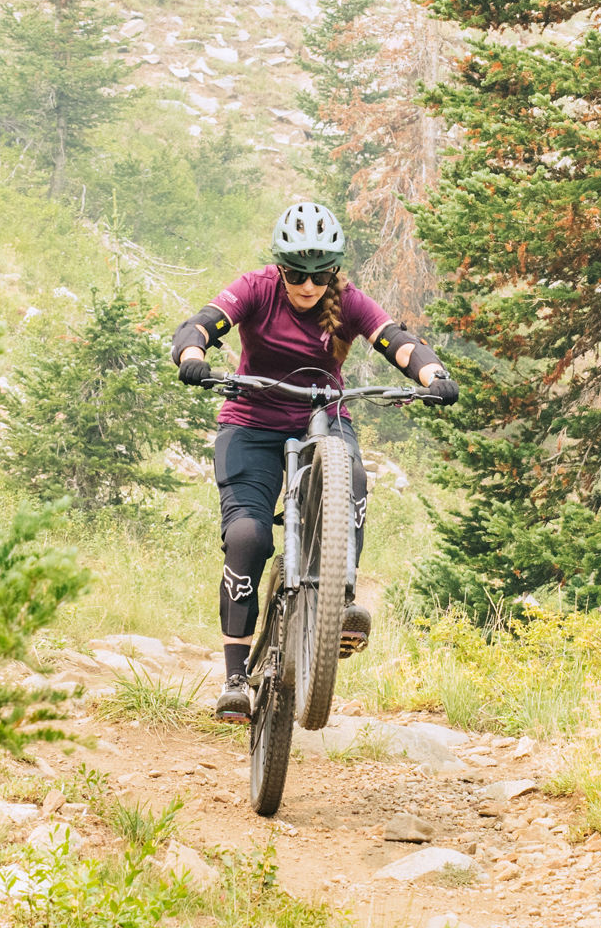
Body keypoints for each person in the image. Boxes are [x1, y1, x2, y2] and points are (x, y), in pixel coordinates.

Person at [171, 201, 459, 722]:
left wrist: (432, 374)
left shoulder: (348, 301)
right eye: (297, 274)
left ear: (335, 270)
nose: (308, 285)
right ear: (280, 268)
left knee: (351, 476)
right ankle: (236, 676)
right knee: (248, 538)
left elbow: (396, 340)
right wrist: (193, 357)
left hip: (323, 416)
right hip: (251, 418)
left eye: (320, 274)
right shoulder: (256, 288)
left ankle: (339, 596)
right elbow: (203, 324)